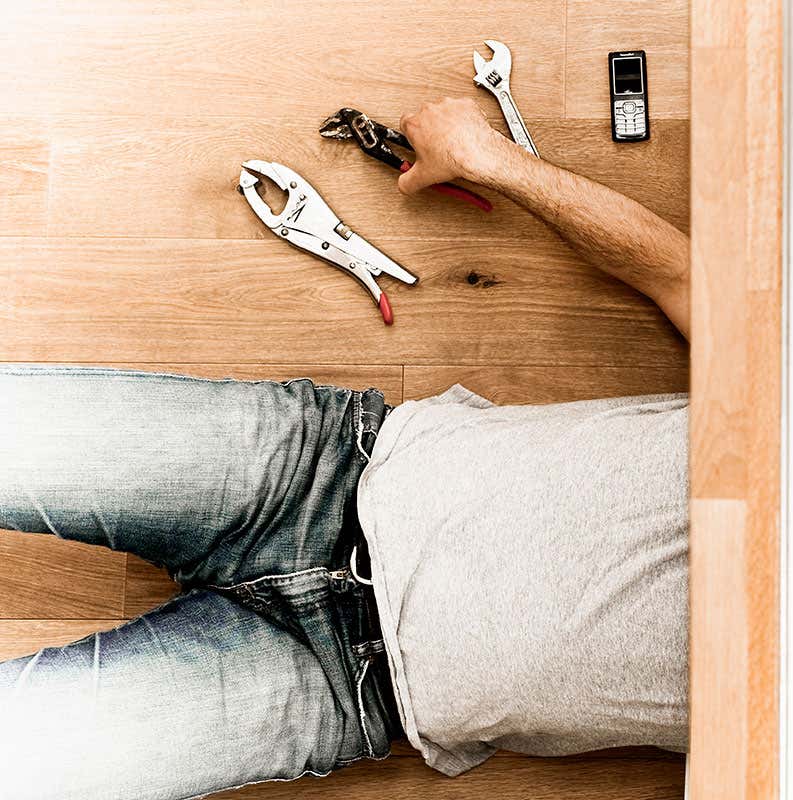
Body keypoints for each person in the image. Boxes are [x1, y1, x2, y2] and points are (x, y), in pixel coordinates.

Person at [0, 98, 690, 800]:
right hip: (318, 470)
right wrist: (492, 160)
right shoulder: (778, 426)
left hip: (336, 684)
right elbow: (684, 277)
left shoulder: (772, 741)